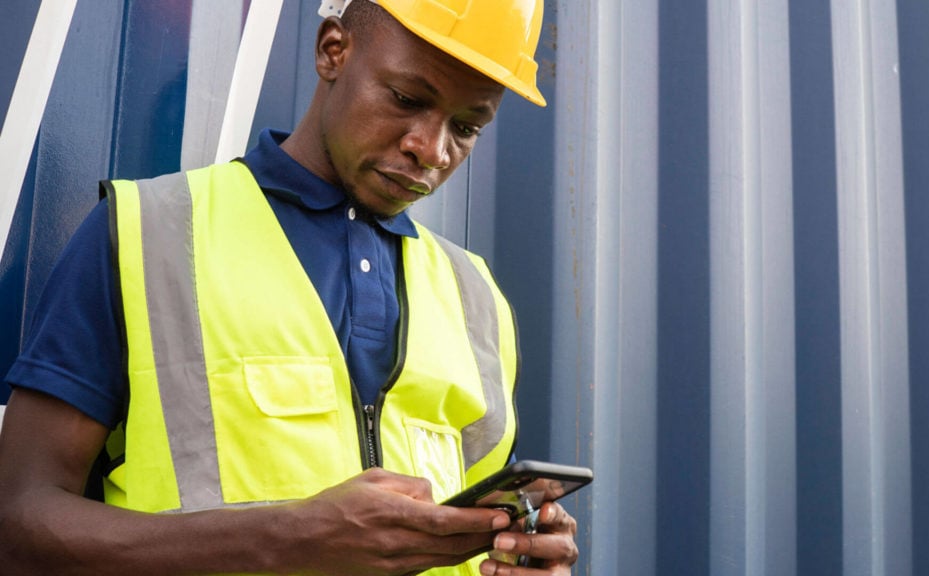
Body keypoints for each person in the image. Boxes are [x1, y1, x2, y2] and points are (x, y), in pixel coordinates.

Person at [0, 0, 580, 574]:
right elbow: (19, 527)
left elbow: (473, 539)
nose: (431, 149)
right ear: (334, 50)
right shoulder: (145, 232)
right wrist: (287, 538)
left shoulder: (477, 299)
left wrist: (521, 554)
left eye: (466, 127)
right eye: (407, 100)